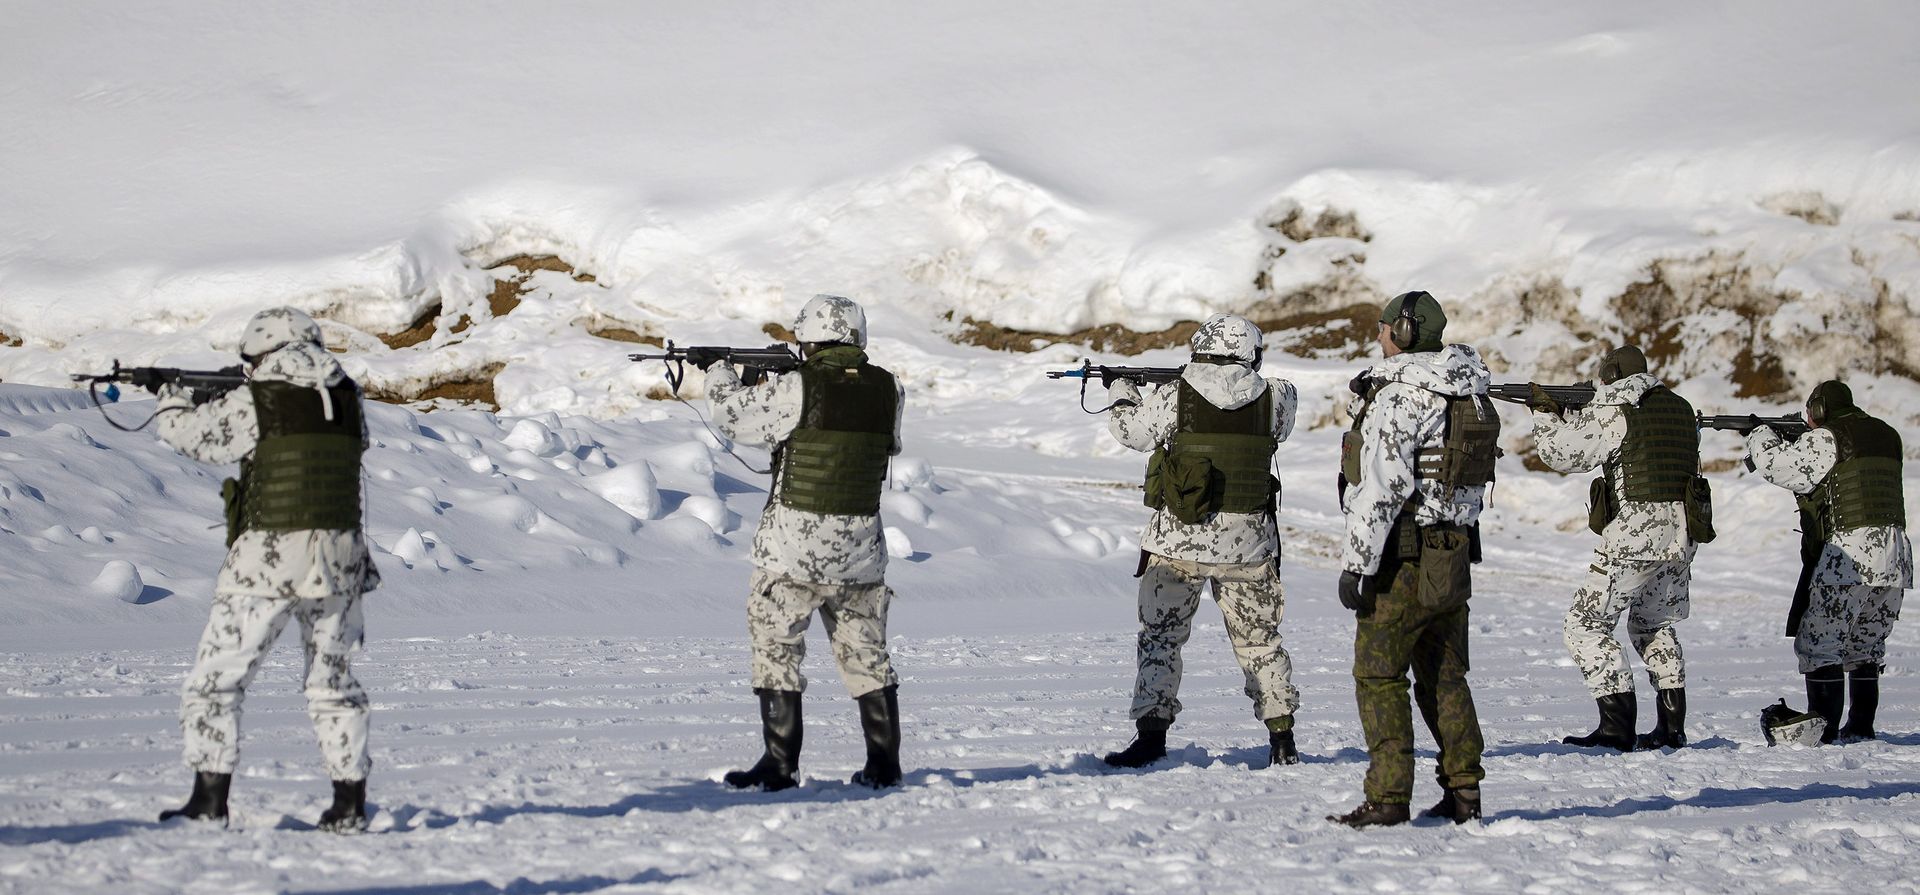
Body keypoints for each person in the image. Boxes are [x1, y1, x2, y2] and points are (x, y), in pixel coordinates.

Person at [153, 307, 380, 832]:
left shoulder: (261, 396)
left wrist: (171, 396)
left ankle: (209, 801)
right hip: (342, 559)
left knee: (217, 679)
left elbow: (195, 438)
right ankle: (349, 806)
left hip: (268, 562)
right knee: (333, 684)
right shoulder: (348, 397)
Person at [706, 294, 907, 790]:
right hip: (861, 552)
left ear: (810, 338)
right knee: (867, 654)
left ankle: (779, 764)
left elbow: (733, 417)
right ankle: (884, 765)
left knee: (777, 648)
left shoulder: (797, 386)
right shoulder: (890, 388)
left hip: (793, 551)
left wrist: (717, 371)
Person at [1100, 314, 1302, 769]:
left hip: (1178, 546)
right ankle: (1282, 737)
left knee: (1161, 639)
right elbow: (1271, 421)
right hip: (1248, 547)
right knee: (1260, 642)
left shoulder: (1173, 396)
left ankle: (1150, 739)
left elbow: (1131, 431)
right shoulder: (1279, 397)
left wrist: (1121, 389)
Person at [1329, 291, 1496, 828]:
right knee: (1445, 677)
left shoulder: (1402, 396)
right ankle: (1464, 791)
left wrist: (1357, 563)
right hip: (1453, 553)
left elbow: (1384, 486)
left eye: (1383, 327)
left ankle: (1388, 797)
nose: (1378, 336)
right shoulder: (1470, 393)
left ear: (1402, 332)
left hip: (1402, 558)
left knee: (1378, 675)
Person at [1527, 346, 1700, 751]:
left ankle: (1616, 728)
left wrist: (1545, 413)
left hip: (1635, 536)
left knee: (1585, 625)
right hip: (1681, 535)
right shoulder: (1680, 409)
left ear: (1610, 375)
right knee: (1654, 625)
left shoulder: (1616, 408)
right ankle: (1671, 727)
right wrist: (1579, 413)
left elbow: (1562, 453)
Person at [1745, 380, 1910, 742]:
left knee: (1820, 643)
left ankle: (1826, 730)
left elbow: (1777, 467)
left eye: (1810, 412)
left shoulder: (1828, 437)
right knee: (1865, 644)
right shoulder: (1888, 434)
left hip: (1850, 557)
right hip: (1895, 557)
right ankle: (1861, 726)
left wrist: (1759, 434)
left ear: (1820, 409)